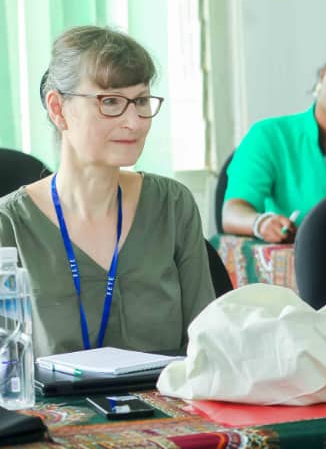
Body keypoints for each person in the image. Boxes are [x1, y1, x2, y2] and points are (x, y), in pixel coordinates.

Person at [0, 26, 214, 356]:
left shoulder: (172, 205)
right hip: (49, 408)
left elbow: (208, 344)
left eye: (141, 101)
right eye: (110, 102)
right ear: (58, 109)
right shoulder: (9, 225)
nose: (135, 122)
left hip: (169, 405)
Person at [221, 37, 326, 243]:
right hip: (298, 260)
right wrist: (261, 223)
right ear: (323, 75)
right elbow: (232, 212)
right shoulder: (270, 136)